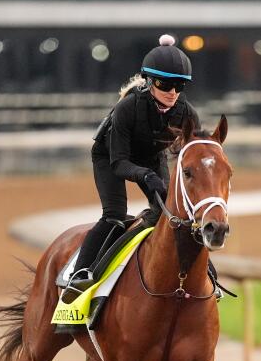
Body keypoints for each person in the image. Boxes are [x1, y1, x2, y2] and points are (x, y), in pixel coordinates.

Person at [70, 34, 201, 286]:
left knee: (170, 215)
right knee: (115, 216)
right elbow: (119, 163)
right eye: (165, 85)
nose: (172, 93)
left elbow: (193, 154)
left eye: (179, 86)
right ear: (150, 82)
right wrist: (145, 175)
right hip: (111, 155)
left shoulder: (187, 114)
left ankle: (202, 273)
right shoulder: (127, 108)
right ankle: (81, 272)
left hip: (152, 156)